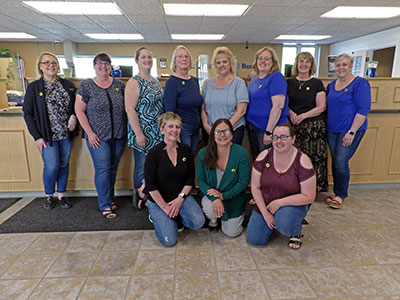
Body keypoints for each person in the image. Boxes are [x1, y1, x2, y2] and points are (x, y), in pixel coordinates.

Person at [246, 123, 316, 249]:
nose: (279, 141)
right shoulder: (264, 157)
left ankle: (295, 231)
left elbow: (309, 196)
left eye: (284, 137)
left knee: (285, 223)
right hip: (268, 203)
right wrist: (265, 214)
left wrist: (279, 203)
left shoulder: (302, 161)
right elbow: (255, 187)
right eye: (275, 137)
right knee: (255, 239)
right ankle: (274, 223)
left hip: (292, 204)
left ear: (293, 139)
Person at [23, 52, 78, 211]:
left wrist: (73, 116)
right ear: (40, 66)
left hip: (65, 134)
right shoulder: (34, 87)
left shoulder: (67, 85)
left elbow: (76, 106)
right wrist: (37, 137)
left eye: (53, 62)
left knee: (63, 165)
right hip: (46, 136)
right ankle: (49, 195)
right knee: (51, 166)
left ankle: (61, 194)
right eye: (46, 62)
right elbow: (27, 113)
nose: (51, 65)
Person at [75, 53, 127, 218]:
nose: (103, 66)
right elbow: (79, 110)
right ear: (94, 66)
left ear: (111, 66)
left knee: (112, 168)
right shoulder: (86, 86)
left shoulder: (119, 85)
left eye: (106, 63)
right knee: (103, 169)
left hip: (118, 135)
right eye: (100, 63)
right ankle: (105, 205)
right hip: (97, 137)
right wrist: (89, 133)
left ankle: (109, 199)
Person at [144, 112, 205, 246]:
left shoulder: (186, 150)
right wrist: (165, 207)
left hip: (179, 197)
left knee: (197, 222)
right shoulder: (153, 154)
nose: (174, 130)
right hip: (159, 200)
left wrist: (180, 199)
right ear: (162, 130)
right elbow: (150, 186)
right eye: (170, 126)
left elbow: (190, 179)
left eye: (177, 127)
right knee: (170, 241)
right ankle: (156, 216)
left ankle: (177, 215)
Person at [325, 54, 371, 209]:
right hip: (332, 129)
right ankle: (337, 192)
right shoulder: (331, 85)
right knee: (336, 159)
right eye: (338, 65)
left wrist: (351, 131)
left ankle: (341, 195)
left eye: (344, 65)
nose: (341, 68)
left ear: (351, 66)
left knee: (340, 161)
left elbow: (363, 109)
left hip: (351, 130)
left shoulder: (360, 84)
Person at [197, 119, 250, 237]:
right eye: (218, 132)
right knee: (210, 209)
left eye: (226, 131)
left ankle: (226, 217)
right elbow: (200, 180)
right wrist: (215, 198)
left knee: (232, 233)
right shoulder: (203, 153)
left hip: (233, 197)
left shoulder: (241, 154)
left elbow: (243, 182)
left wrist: (223, 196)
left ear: (232, 133)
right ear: (213, 135)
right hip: (211, 196)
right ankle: (213, 220)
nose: (222, 135)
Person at [125, 47, 164, 209]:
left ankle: (153, 195)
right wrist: (139, 134)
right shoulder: (134, 82)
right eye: (143, 57)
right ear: (137, 61)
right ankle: (139, 196)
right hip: (142, 132)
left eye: (149, 57)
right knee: (142, 166)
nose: (147, 60)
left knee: (155, 166)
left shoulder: (154, 81)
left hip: (156, 133)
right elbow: (130, 109)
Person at [287, 52, 328, 193]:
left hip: (313, 127)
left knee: (313, 158)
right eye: (301, 61)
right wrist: (292, 113)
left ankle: (313, 189)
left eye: (307, 61)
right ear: (296, 64)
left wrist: (302, 116)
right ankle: (294, 187)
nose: (304, 64)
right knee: (294, 158)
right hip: (293, 126)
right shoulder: (289, 82)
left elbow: (321, 107)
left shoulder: (317, 83)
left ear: (312, 65)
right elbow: (283, 102)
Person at [246, 46, 290, 158]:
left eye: (267, 59)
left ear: (273, 62)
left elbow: (278, 107)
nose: (262, 61)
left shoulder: (276, 77)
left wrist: (269, 132)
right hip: (253, 126)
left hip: (267, 128)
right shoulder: (255, 78)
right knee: (259, 160)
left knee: (268, 162)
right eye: (260, 58)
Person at [201, 47, 249, 145]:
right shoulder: (208, 83)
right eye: (218, 62)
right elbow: (203, 108)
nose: (221, 65)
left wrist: (223, 129)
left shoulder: (239, 83)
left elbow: (241, 110)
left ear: (230, 63)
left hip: (232, 130)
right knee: (212, 159)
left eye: (224, 61)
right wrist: (205, 125)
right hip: (210, 131)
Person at [164, 45, 203, 154]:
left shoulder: (194, 81)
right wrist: (175, 133)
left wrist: (199, 127)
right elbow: (170, 112)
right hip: (182, 129)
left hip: (195, 128)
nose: (184, 59)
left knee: (191, 158)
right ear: (175, 62)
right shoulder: (172, 82)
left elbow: (198, 106)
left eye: (186, 56)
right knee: (183, 159)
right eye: (180, 56)